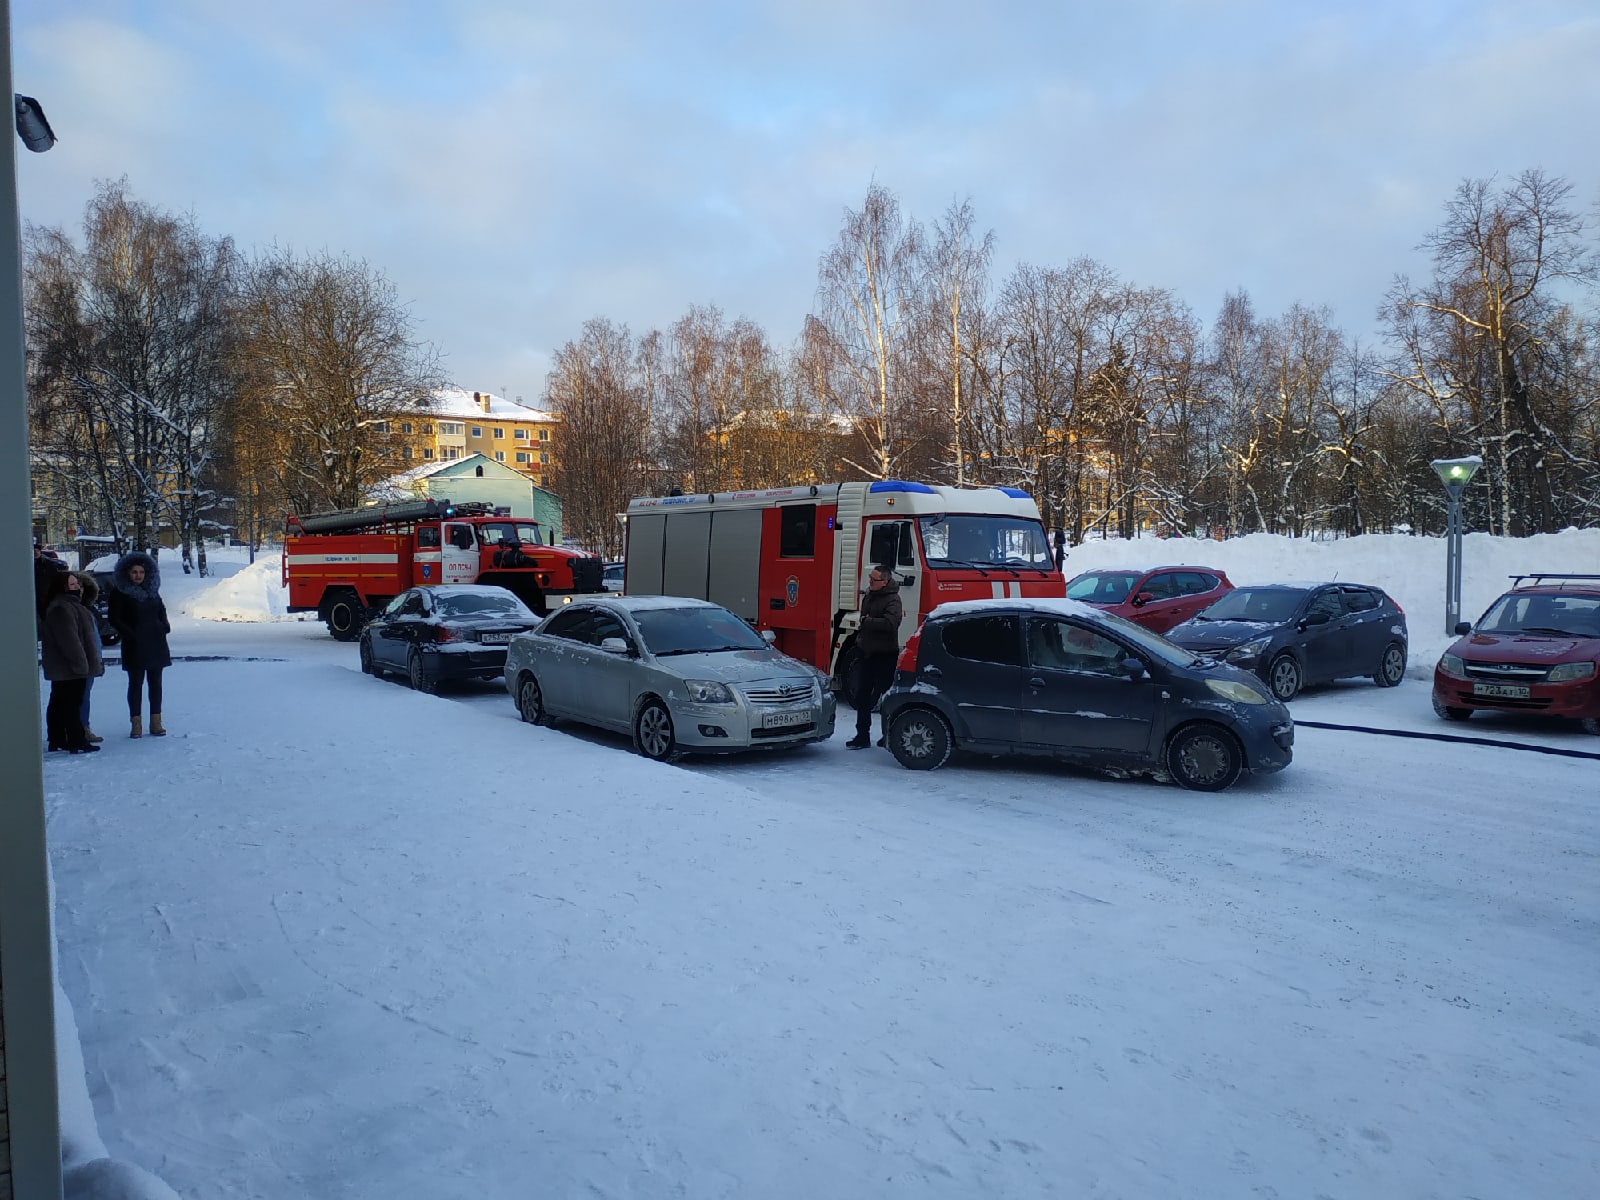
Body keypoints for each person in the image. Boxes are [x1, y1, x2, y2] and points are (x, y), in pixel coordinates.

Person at [38, 568, 103, 753]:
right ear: (62, 587)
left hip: (69, 666)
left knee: (61, 701)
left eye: (77, 584)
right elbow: (69, 639)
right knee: (71, 703)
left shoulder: (71, 605)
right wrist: (81, 664)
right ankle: (75, 740)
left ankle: (59, 738)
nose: (77, 587)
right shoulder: (61, 607)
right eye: (72, 584)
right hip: (70, 667)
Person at [108, 550, 172, 738]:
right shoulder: (120, 592)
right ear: (127, 573)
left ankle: (156, 722)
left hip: (156, 642)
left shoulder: (152, 591)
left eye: (141, 572)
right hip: (135, 645)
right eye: (134, 572)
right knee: (136, 684)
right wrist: (131, 634)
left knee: (156, 684)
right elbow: (115, 618)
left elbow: (161, 610)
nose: (138, 576)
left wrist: (164, 625)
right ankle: (136, 724)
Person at [847, 564, 903, 750]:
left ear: (885, 582)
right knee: (862, 696)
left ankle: (889, 735)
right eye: (870, 578)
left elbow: (891, 623)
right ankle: (862, 736)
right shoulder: (870, 595)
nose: (869, 582)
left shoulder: (893, 599)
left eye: (873, 579)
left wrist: (867, 622)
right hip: (866, 653)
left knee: (886, 697)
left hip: (885, 655)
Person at [73, 571, 106, 743]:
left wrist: (98, 660)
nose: (78, 589)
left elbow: (95, 637)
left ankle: (83, 728)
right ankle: (79, 730)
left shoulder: (88, 609)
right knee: (78, 697)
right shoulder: (69, 609)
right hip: (79, 661)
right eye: (74, 586)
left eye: (81, 586)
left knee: (85, 695)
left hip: (91, 659)